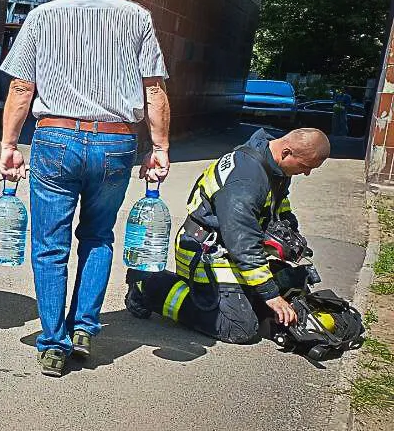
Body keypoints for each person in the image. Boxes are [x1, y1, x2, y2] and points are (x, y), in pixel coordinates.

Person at [0, 0, 171, 378]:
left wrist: (9, 144)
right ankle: (84, 329)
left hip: (56, 137)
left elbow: (22, 87)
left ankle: (52, 343)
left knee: (50, 244)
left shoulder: (43, 16)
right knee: (98, 236)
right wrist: (161, 147)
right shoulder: (137, 18)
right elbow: (154, 90)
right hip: (115, 142)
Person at [126, 127, 330, 343]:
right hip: (206, 252)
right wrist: (270, 294)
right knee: (239, 327)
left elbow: (278, 205)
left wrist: (289, 231)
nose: (306, 173)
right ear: (287, 153)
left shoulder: (272, 164)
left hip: (230, 246)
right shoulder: (246, 179)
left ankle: (229, 295)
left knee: (289, 286)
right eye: (306, 167)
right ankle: (147, 286)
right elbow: (242, 242)